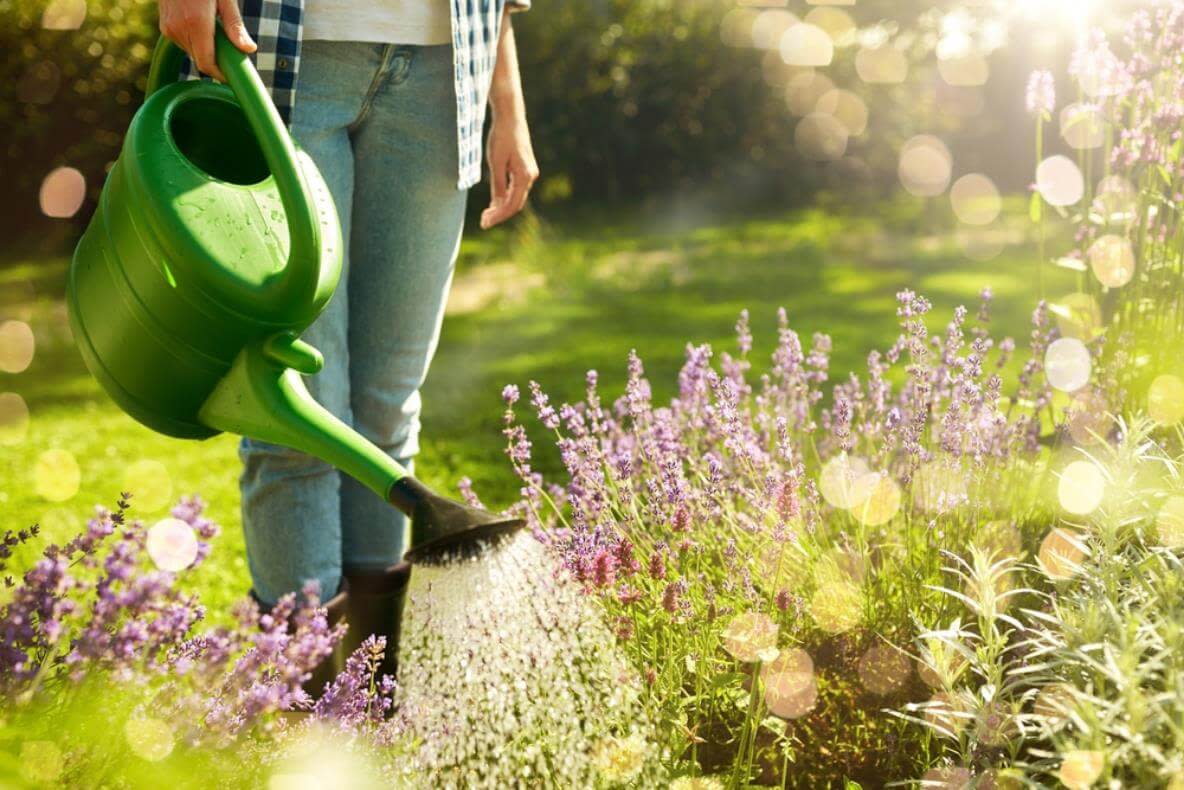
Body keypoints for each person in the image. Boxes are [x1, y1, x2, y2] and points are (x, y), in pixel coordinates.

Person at [157, 0, 538, 688]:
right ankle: (305, 708)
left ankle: (369, 702)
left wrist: (507, 106)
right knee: (295, 411)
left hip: (443, 71)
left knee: (386, 408)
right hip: (280, 56)